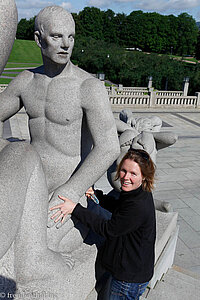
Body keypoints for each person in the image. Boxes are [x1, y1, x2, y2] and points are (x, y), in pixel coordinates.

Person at [0, 5, 119, 293]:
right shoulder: (26, 81)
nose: (66, 44)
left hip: (66, 191)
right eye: (56, 36)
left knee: (25, 248)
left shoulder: (87, 87)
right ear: (39, 40)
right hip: (30, 182)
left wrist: (71, 191)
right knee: (19, 152)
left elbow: (108, 147)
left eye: (71, 37)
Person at [50, 148, 156, 300]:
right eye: (124, 171)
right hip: (135, 271)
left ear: (144, 177)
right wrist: (96, 195)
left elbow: (108, 229)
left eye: (133, 173)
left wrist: (75, 209)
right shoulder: (138, 192)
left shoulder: (138, 206)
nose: (126, 177)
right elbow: (119, 206)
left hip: (127, 279)